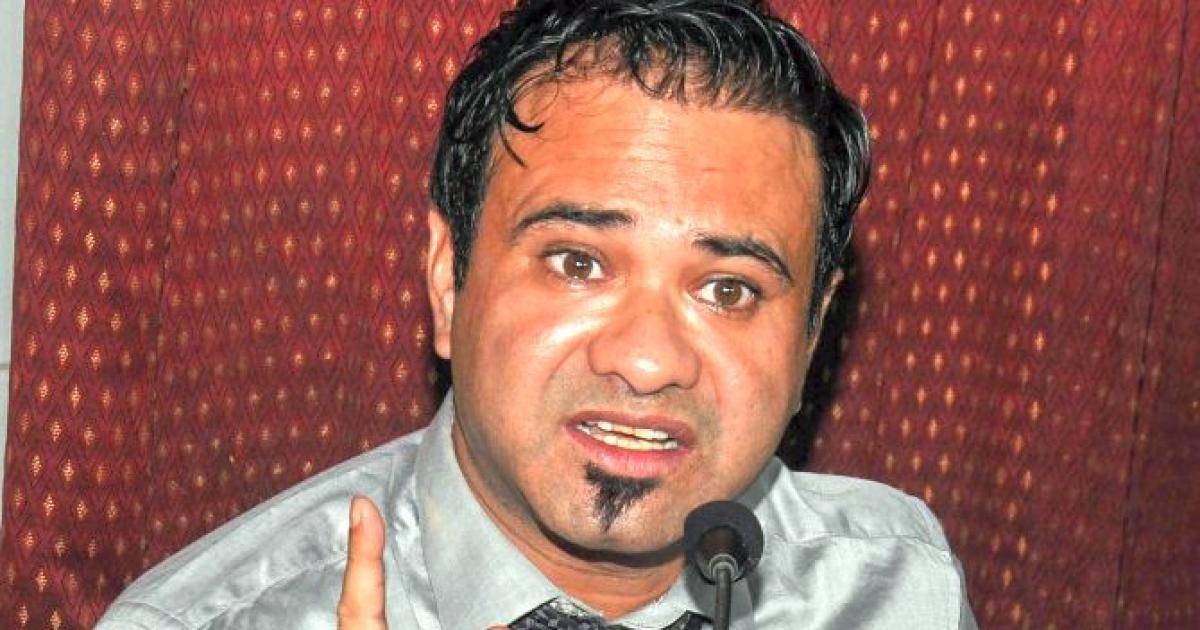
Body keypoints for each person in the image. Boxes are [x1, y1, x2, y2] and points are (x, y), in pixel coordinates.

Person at [98, 1, 976, 628]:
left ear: (814, 332)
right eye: (578, 263)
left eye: (728, 290)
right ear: (448, 280)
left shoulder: (900, 587)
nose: (647, 362)